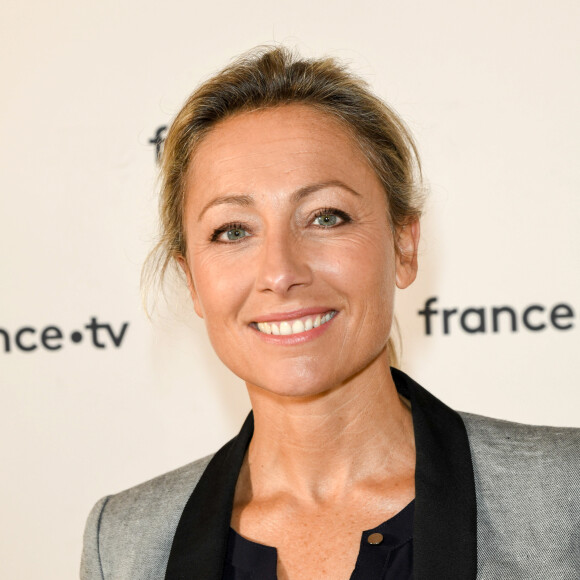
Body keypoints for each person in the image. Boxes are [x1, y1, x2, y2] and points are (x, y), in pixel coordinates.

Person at [81, 47, 580, 580]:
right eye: (233, 230)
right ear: (192, 282)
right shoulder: (123, 544)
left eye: (325, 217)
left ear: (404, 246)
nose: (280, 270)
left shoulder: (565, 498)